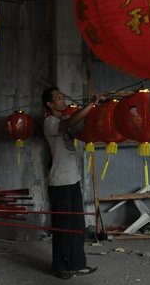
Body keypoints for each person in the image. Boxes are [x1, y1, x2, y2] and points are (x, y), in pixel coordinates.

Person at [41, 86, 103, 279]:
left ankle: (77, 264)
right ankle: (59, 266)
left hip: (73, 180)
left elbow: (77, 120)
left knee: (77, 226)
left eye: (62, 97)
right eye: (58, 98)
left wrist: (90, 105)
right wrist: (92, 104)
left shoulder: (63, 119)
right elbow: (70, 123)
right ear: (50, 105)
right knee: (62, 227)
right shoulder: (50, 122)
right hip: (60, 183)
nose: (63, 100)